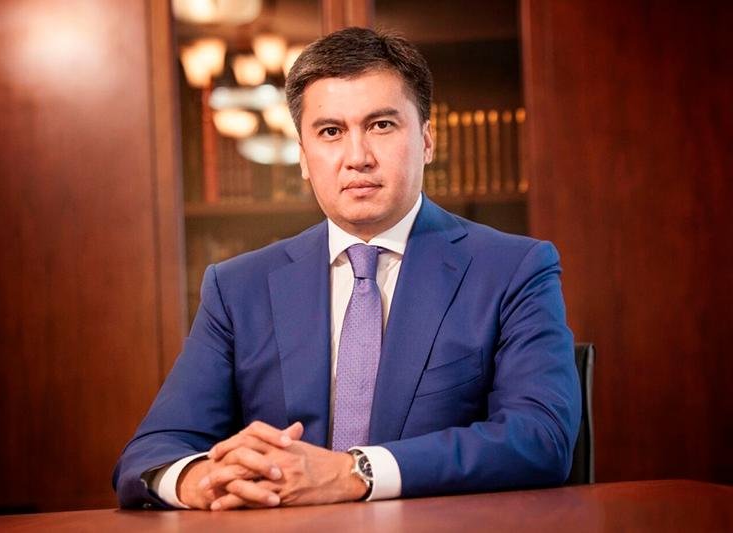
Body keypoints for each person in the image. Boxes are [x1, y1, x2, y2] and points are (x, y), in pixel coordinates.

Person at [113, 27, 580, 511]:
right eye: (331, 132)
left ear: (427, 141)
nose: (358, 158)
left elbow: (540, 438)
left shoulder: (514, 269)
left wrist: (355, 472)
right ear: (303, 157)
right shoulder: (237, 289)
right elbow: (150, 454)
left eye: (381, 125)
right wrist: (202, 479)